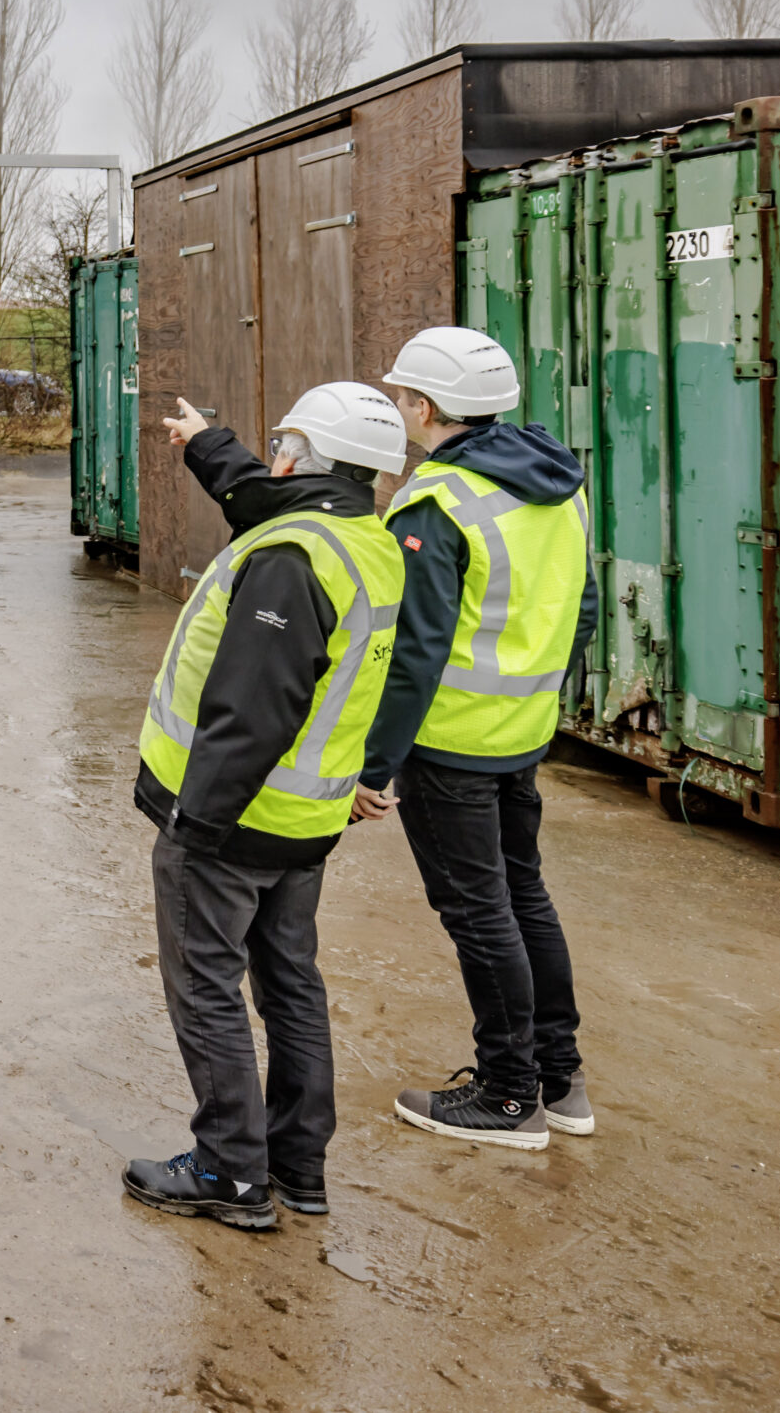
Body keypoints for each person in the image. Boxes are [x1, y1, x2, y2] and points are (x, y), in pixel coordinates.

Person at [123, 382, 409, 1233]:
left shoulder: (291, 559)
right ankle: (296, 1166)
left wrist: (198, 824)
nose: (273, 455)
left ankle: (230, 1172)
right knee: (289, 985)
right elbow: (258, 495)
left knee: (205, 986)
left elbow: (252, 709)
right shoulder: (363, 540)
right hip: (304, 822)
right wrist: (206, 441)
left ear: (303, 460)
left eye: (284, 443)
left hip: (233, 821)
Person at [353, 326, 598, 1153]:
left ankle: (507, 1097)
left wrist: (374, 767)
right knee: (523, 896)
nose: (400, 408)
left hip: (452, 741)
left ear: (424, 407)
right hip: (522, 731)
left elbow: (413, 652)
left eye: (403, 397)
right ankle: (559, 1080)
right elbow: (582, 609)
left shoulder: (438, 501)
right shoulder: (559, 482)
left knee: (479, 912)